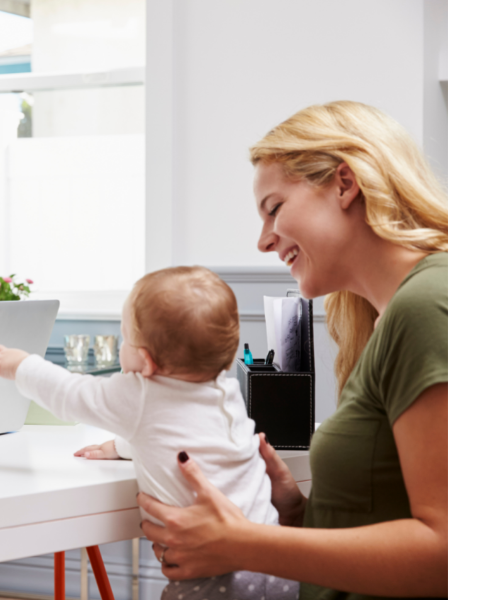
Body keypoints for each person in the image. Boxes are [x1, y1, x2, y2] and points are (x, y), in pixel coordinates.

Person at [136, 101, 448, 600]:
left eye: (274, 208)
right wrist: (299, 512)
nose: (263, 241)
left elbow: (449, 555)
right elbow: (389, 512)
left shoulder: (428, 305)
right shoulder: (391, 316)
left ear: (345, 184)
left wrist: (243, 544)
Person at [0, 266, 298, 600]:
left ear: (145, 360)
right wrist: (123, 446)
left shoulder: (141, 392)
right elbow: (178, 436)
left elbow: (70, 394)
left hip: (211, 580)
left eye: (124, 336)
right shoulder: (224, 391)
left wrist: (20, 365)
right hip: (279, 562)